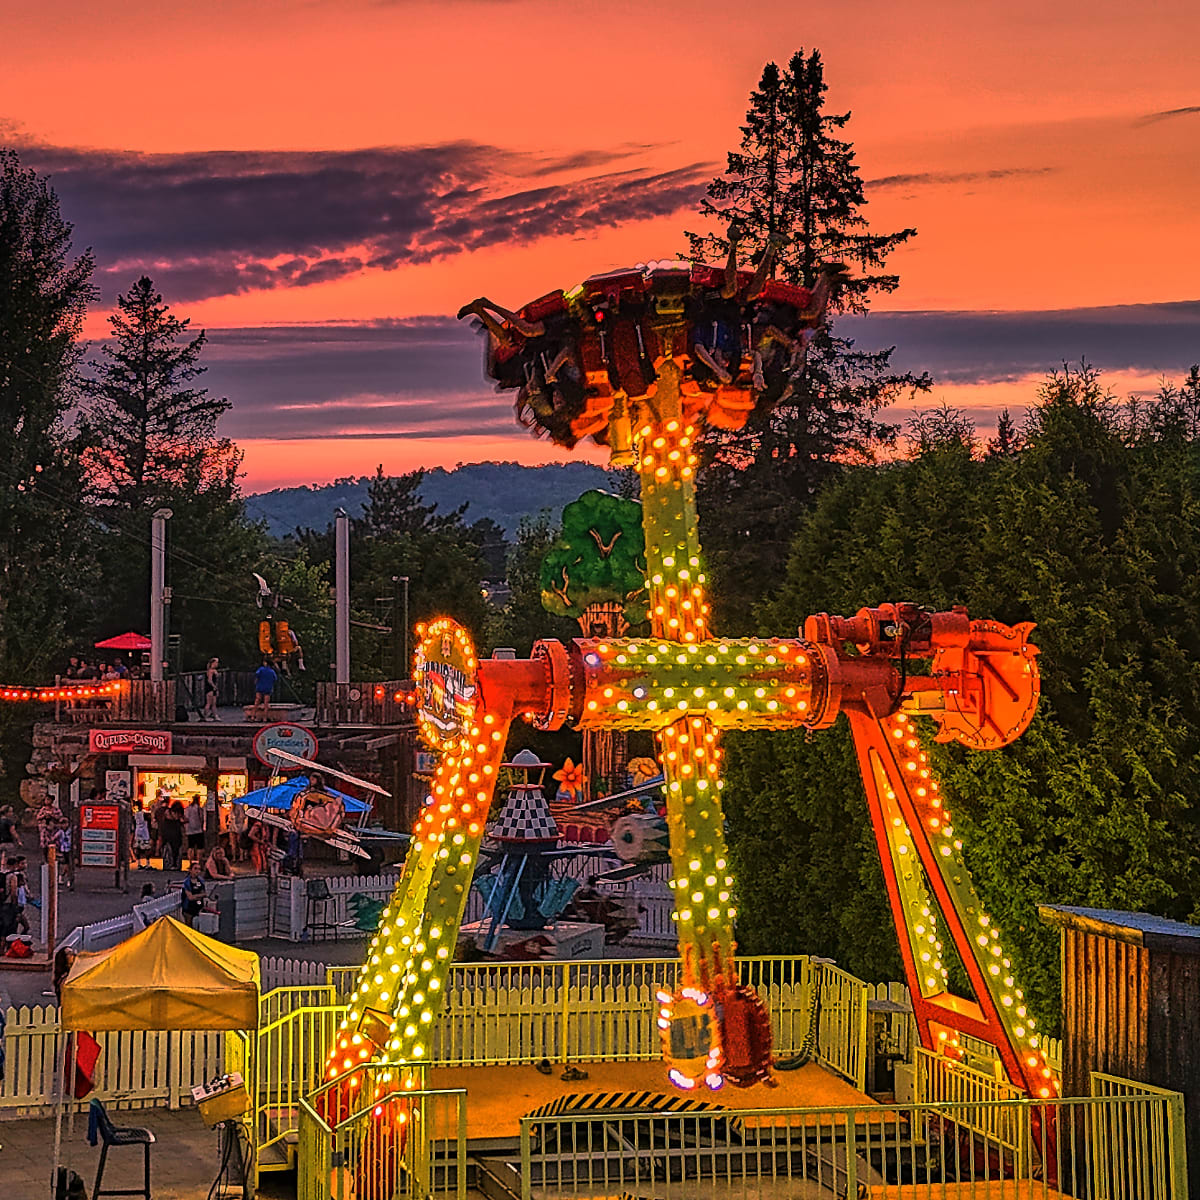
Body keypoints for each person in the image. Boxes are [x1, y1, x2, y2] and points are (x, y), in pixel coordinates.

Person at [180, 861, 207, 928]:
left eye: (199, 869)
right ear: (190, 870)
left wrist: (196, 896)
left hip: (199, 907)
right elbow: (190, 897)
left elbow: (205, 893)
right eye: (195, 869)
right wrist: (199, 896)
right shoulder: (187, 882)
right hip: (189, 908)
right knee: (189, 926)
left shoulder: (201, 880)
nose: (197, 871)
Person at [159, 801, 184, 871]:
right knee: (176, 849)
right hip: (176, 833)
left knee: (167, 848)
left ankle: (168, 863)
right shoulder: (177, 814)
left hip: (166, 833)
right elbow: (180, 819)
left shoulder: (167, 812)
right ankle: (175, 864)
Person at [184, 794, 205, 865]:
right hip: (198, 830)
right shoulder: (199, 809)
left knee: (190, 847)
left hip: (189, 830)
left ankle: (190, 862)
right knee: (199, 847)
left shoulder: (188, 808)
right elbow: (202, 819)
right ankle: (199, 861)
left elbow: (185, 818)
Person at [132, 805, 152, 869]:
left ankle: (139, 863)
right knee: (147, 848)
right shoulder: (145, 814)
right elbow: (149, 822)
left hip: (138, 832)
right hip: (145, 833)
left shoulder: (135, 814)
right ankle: (147, 863)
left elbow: (134, 823)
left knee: (138, 848)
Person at [202, 656, 219, 721]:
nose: (217, 664)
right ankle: (204, 716)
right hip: (210, 688)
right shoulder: (210, 671)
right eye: (216, 662)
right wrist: (213, 686)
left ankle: (215, 716)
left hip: (214, 688)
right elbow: (209, 680)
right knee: (209, 703)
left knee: (214, 703)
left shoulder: (215, 671)